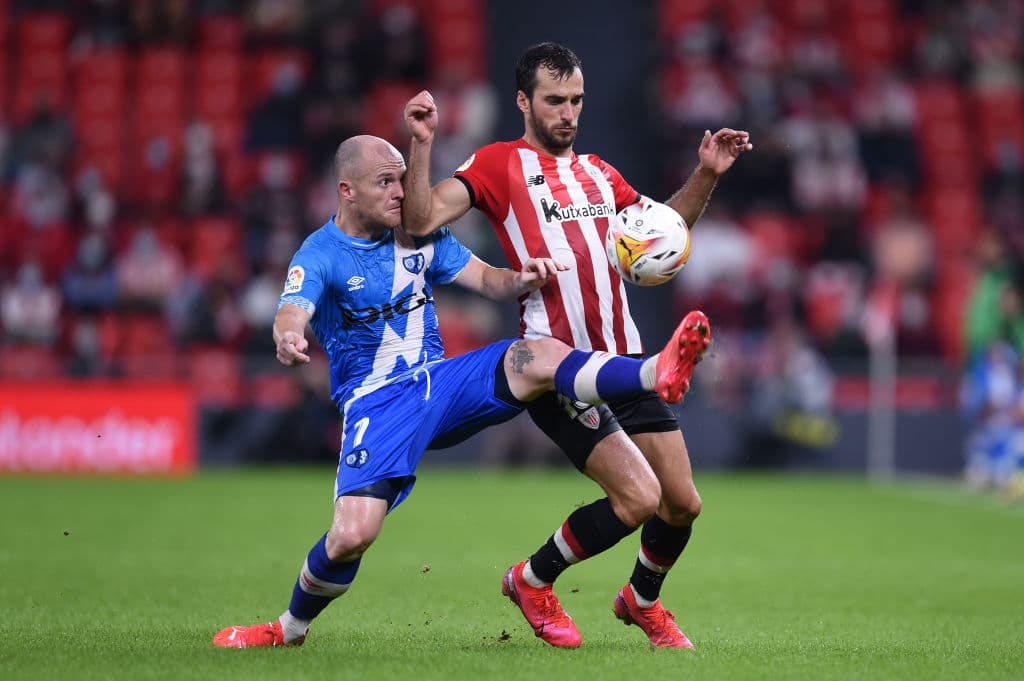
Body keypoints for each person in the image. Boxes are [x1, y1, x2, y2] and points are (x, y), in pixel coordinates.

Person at [211, 134, 711, 648]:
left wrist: (522, 278)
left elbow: (489, 281)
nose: (400, 194)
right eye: (385, 182)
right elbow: (294, 306)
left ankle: (654, 372)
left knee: (532, 352)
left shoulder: (419, 239)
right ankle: (288, 630)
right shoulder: (320, 252)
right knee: (352, 536)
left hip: (439, 383)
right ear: (347, 190)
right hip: (377, 403)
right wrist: (288, 333)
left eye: (402, 181)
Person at [401, 42, 752, 649]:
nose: (568, 112)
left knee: (681, 505)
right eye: (555, 100)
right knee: (638, 496)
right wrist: (422, 144)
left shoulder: (599, 171)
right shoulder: (497, 164)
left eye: (577, 101)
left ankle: (641, 601)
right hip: (556, 369)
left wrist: (706, 175)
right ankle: (532, 580)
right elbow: (420, 219)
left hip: (625, 363)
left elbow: (661, 229)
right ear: (523, 101)